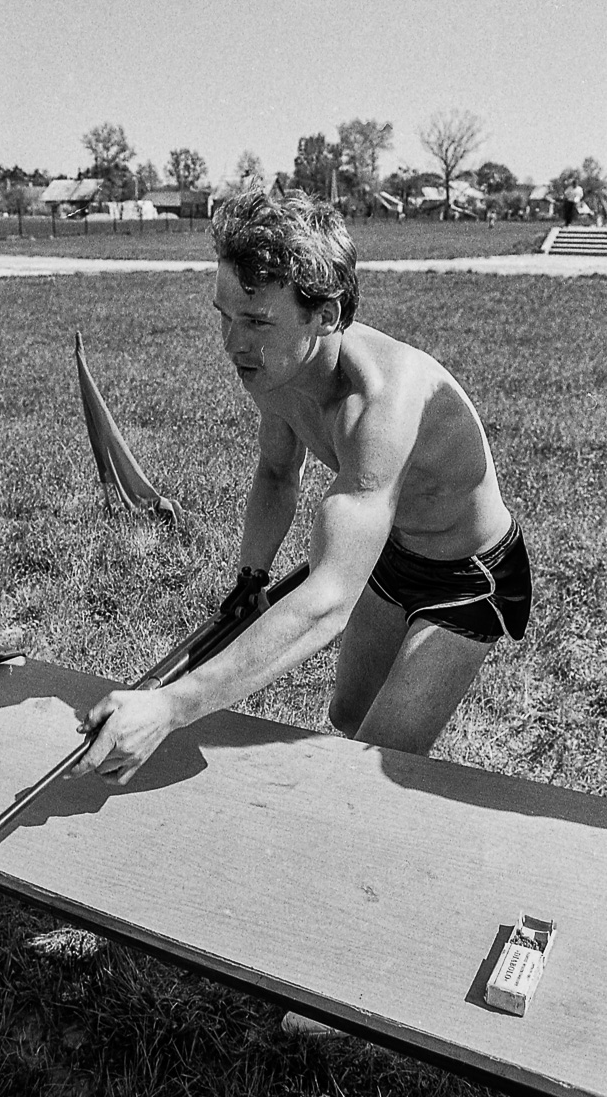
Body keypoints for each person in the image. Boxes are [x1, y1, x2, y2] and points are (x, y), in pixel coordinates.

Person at [70, 189, 531, 786]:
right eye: (225, 316)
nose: (233, 344)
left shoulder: (382, 404)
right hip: (392, 554)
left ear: (327, 315)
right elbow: (276, 471)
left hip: (468, 578)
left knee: (379, 765)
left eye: (257, 322)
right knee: (347, 716)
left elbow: (329, 600)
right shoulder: (277, 368)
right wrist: (251, 578)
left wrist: (171, 706)